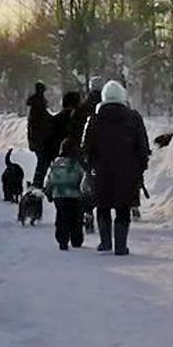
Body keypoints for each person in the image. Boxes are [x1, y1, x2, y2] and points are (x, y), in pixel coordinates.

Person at [82, 80, 149, 255]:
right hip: (128, 172)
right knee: (123, 207)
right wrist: (141, 168)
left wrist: (89, 168)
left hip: (101, 172)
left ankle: (105, 242)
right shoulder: (134, 118)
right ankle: (121, 245)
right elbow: (142, 147)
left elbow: (86, 149)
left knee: (102, 206)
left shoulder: (94, 120)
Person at [70, 76, 104, 232]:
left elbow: (74, 129)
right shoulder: (105, 107)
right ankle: (104, 214)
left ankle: (87, 213)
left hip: (85, 153)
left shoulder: (82, 107)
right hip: (103, 153)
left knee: (86, 186)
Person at [42, 137, 86, 251]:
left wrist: (48, 192)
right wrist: (85, 193)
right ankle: (76, 240)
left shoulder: (55, 164)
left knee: (62, 218)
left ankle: (62, 240)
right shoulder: (77, 164)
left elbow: (50, 180)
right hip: (75, 196)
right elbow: (83, 179)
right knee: (76, 219)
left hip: (59, 196)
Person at [26, 81, 54, 186]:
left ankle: (38, 183)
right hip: (41, 141)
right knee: (43, 162)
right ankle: (37, 183)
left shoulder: (35, 106)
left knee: (42, 162)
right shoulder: (39, 105)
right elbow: (45, 121)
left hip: (37, 140)